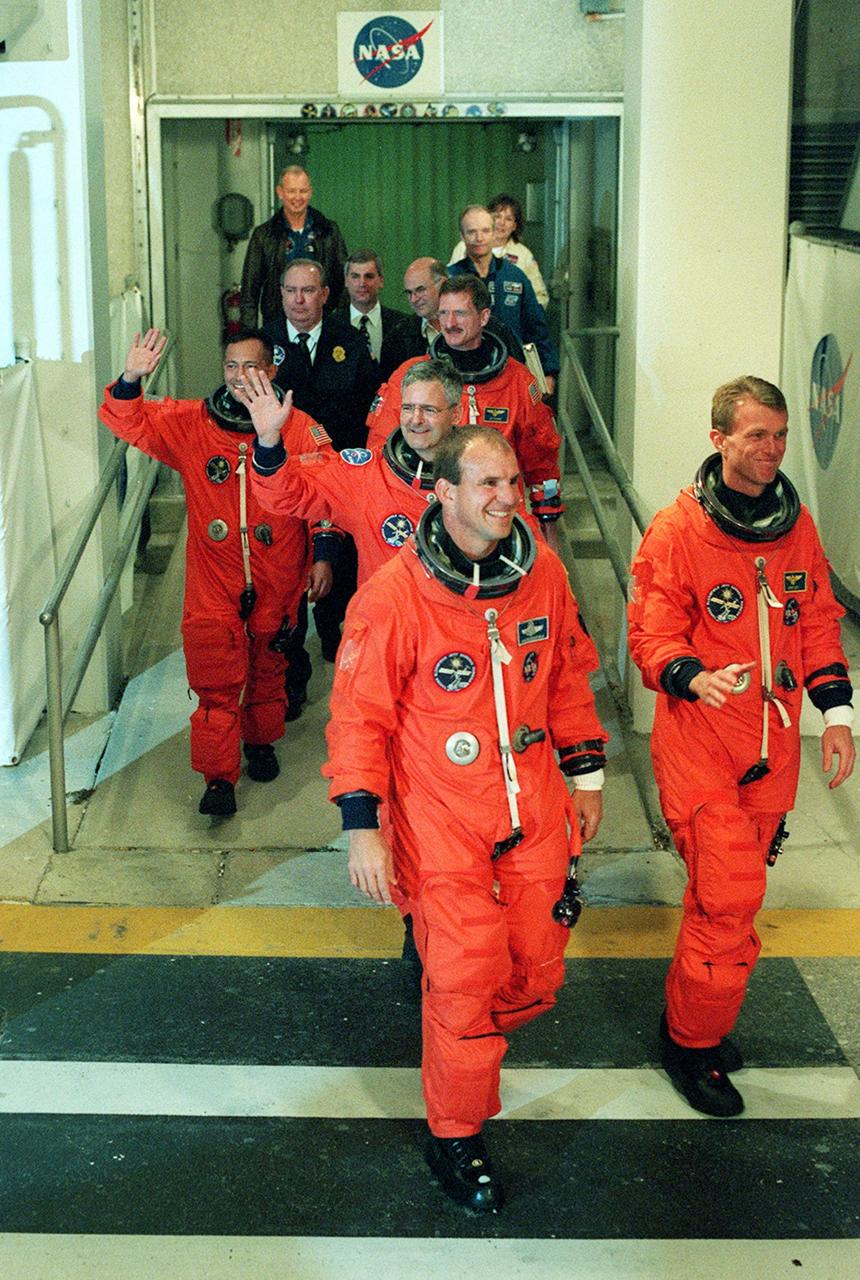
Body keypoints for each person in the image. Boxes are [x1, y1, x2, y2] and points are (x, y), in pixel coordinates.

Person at [324, 426, 608, 1211]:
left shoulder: (541, 572)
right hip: (440, 816)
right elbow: (358, 719)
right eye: (486, 484)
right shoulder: (393, 595)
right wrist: (362, 823)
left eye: (512, 482)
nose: (506, 498)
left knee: (534, 971)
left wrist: (587, 770)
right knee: (462, 979)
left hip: (534, 808)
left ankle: (459, 1021)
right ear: (442, 492)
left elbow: (569, 674)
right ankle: (457, 1133)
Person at [627, 375, 855, 1117]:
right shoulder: (677, 530)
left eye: (781, 435)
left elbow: (816, 620)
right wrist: (692, 677)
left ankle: (698, 1017)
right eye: (756, 435)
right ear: (718, 437)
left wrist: (841, 715)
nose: (772, 449)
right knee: (727, 900)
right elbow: (650, 633)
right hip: (702, 742)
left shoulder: (796, 526)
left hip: (775, 746)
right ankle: (690, 1046)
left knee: (732, 904)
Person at [98, 328, 336, 816]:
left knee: (269, 665)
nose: (240, 376)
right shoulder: (193, 424)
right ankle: (217, 779)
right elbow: (130, 419)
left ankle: (261, 743)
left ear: (272, 371)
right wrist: (130, 377)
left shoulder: (301, 428)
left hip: (280, 572)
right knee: (215, 678)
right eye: (231, 366)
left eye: (252, 367)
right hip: (215, 579)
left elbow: (326, 497)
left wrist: (322, 556)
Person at [368, 277, 564, 536]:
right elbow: (379, 455)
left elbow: (542, 464)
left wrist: (549, 532)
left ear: (483, 317)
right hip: (426, 514)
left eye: (460, 313)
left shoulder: (518, 382)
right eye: (443, 313)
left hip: (498, 516)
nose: (449, 324)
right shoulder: (410, 377)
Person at [245, 358, 462, 586]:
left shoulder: (484, 469)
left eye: (429, 409)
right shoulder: (367, 475)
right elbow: (283, 493)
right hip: (387, 618)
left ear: (456, 414)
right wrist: (268, 441)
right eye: (408, 408)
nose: (415, 420)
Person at [264, 258, 381, 670]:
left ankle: (337, 644)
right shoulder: (264, 344)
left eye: (308, 291)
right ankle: (290, 671)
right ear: (280, 294)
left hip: (338, 477)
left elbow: (369, 408)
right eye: (291, 291)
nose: (299, 299)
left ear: (326, 295)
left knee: (338, 568)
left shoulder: (348, 340)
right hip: (281, 476)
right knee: (285, 573)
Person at [448, 205, 558, 393]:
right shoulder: (451, 277)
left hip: (511, 374)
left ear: (494, 233)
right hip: (464, 375)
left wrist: (547, 372)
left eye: (485, 231)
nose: (479, 238)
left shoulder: (515, 276)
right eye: (471, 232)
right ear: (462, 236)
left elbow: (536, 327)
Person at [239, 165, 348, 328]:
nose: (297, 197)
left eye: (303, 191)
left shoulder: (329, 231)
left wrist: (339, 324)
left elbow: (344, 282)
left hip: (322, 325)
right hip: (277, 325)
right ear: (280, 192)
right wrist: (250, 336)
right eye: (291, 191)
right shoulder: (263, 235)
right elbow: (249, 292)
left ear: (310, 192)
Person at [380, 257, 523, 379]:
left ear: (443, 282)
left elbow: (516, 378)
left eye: (420, 290)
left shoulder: (494, 330)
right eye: (409, 293)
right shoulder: (397, 338)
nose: (414, 299)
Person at [449, 193, 550, 308]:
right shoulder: (464, 246)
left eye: (508, 219)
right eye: (497, 216)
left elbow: (540, 297)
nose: (501, 223)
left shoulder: (523, 255)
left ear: (514, 226)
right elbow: (451, 285)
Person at [336, 250, 408, 363]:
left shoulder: (402, 324)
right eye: (355, 277)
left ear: (381, 281)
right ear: (346, 281)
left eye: (369, 276)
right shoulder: (331, 325)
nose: (362, 283)